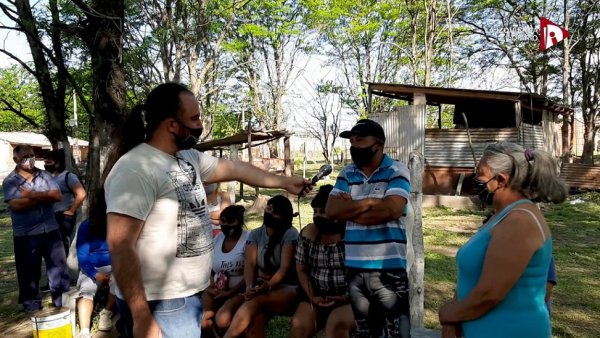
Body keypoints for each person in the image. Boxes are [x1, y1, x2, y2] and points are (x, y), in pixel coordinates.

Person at [104, 83, 311, 338]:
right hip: (159, 303)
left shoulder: (187, 157)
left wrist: (284, 182)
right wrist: (142, 317)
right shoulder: (136, 168)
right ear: (171, 125)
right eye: (194, 118)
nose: (199, 124)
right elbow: (121, 246)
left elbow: (234, 168)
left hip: (187, 297)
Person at [438, 142, 567, 338]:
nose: (476, 179)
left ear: (500, 180)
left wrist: (448, 315)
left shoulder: (520, 222)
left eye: (480, 174)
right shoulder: (501, 217)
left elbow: (489, 294)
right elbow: (472, 279)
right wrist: (453, 323)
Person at [326, 118, 411, 338]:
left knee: (396, 333)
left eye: (360, 140)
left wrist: (350, 208)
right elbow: (332, 210)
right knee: (364, 333)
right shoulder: (347, 173)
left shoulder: (396, 170)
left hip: (389, 269)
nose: (355, 146)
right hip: (354, 270)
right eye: (352, 141)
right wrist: (371, 202)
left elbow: (391, 209)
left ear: (379, 144)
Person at [2, 145, 70, 312]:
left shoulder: (44, 175)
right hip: (26, 234)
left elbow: (57, 195)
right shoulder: (10, 181)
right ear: (16, 159)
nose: (29, 159)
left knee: (58, 268)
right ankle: (32, 308)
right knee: (28, 273)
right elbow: (17, 205)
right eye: (25, 156)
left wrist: (31, 195)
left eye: (31, 155)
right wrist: (44, 197)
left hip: (51, 230)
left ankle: (62, 304)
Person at [223, 195, 299, 338]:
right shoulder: (256, 233)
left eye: (274, 211)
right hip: (259, 286)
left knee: (255, 302)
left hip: (286, 287)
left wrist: (268, 285)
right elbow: (250, 264)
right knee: (226, 318)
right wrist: (249, 287)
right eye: (268, 208)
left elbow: (284, 268)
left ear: (282, 216)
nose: (269, 213)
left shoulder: (290, 233)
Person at [291, 184, 355, 338]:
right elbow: (301, 269)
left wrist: (346, 297)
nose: (318, 216)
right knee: (299, 327)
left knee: (336, 325)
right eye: (315, 212)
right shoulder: (308, 235)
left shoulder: (354, 234)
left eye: (323, 211)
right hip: (317, 295)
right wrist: (312, 296)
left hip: (351, 299)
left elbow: (364, 275)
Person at [201, 205, 249, 337]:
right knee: (203, 319)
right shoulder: (217, 239)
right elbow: (209, 267)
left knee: (223, 320)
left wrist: (229, 293)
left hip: (240, 291)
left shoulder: (249, 240)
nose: (227, 226)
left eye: (231, 222)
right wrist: (211, 285)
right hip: (216, 289)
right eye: (223, 222)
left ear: (240, 222)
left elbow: (250, 275)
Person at [75, 189, 116, 338]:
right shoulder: (87, 226)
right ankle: (85, 331)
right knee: (87, 289)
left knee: (118, 282)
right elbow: (83, 256)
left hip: (116, 266)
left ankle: (106, 312)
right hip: (92, 268)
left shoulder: (118, 223)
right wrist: (95, 274)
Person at [44, 148, 87, 255]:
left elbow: (81, 194)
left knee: (61, 245)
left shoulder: (68, 176)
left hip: (63, 216)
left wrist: (71, 211)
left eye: (49, 162)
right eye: (45, 162)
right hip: (49, 216)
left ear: (57, 163)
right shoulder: (46, 177)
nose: (46, 164)